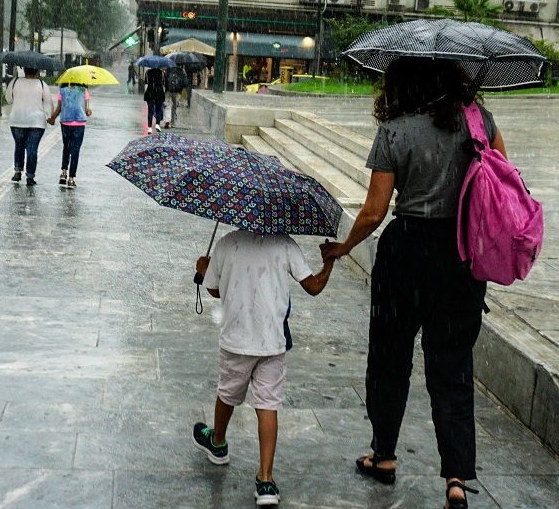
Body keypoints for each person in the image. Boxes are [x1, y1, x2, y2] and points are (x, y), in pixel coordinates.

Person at [320, 57, 504, 509]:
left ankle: (384, 455)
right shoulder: (479, 122)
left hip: (405, 255)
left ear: (402, 81)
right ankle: (456, 479)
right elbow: (500, 183)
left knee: (389, 358)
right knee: (453, 366)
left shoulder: (395, 130)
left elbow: (374, 211)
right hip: (462, 257)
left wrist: (344, 247)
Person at [194, 229, 335, 507]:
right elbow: (314, 286)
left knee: (227, 394)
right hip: (272, 342)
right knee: (268, 405)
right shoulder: (285, 244)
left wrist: (204, 269)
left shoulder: (227, 243)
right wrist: (329, 263)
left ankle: (218, 443)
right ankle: (266, 479)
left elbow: (215, 289)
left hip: (236, 340)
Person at [5, 67, 55, 186]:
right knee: (32, 148)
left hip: (17, 119)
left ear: (25, 70)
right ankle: (30, 176)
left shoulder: (15, 82)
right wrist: (49, 116)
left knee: (19, 146)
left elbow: (8, 99)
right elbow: (48, 103)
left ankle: (17, 172)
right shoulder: (42, 85)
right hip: (36, 122)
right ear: (37, 71)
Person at [47, 83, 91, 189]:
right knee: (75, 150)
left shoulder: (63, 90)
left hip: (66, 122)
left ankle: (63, 173)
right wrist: (88, 111)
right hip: (80, 123)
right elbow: (86, 110)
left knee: (66, 147)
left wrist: (52, 118)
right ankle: (71, 179)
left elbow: (59, 108)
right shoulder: (83, 90)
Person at [143, 67, 165, 134]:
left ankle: (149, 127)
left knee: (150, 110)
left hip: (150, 93)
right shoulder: (161, 73)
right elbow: (163, 84)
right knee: (158, 109)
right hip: (158, 92)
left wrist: (146, 93)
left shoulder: (147, 72)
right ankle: (157, 124)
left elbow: (146, 84)